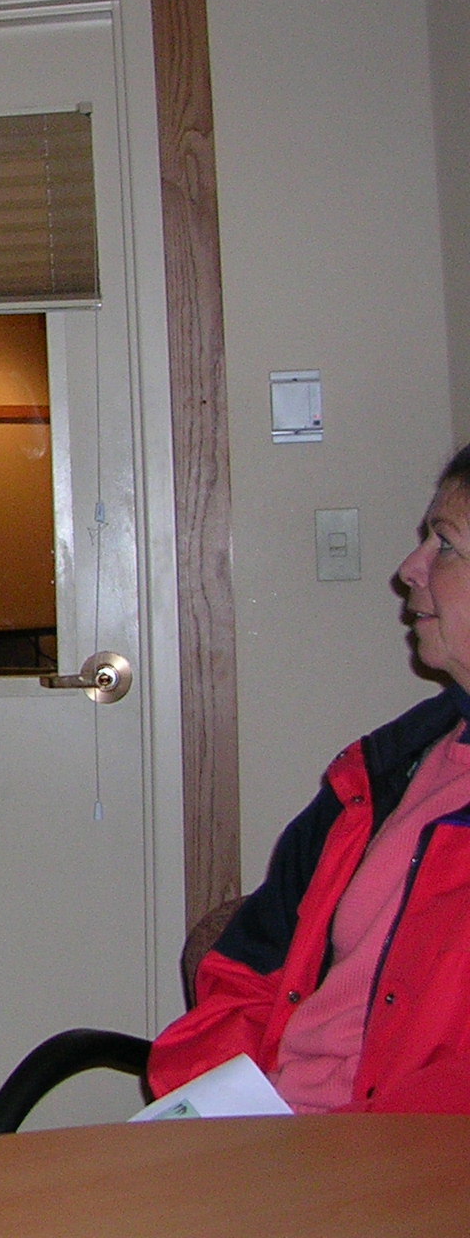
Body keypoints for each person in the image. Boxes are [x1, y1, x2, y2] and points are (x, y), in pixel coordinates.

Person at [147, 445, 470, 1115]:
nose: (409, 569)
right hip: (282, 1140)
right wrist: (210, 1116)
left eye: (445, 544)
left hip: (392, 1164)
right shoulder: (387, 771)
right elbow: (245, 971)